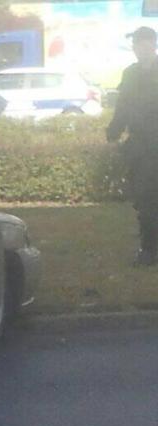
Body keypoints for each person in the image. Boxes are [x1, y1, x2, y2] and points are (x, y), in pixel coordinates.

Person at [107, 26, 158, 266]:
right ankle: (148, 249)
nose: (141, 48)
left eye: (146, 43)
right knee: (144, 201)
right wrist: (113, 131)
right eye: (137, 44)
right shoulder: (130, 74)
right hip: (140, 148)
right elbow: (123, 107)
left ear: (154, 45)